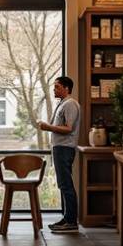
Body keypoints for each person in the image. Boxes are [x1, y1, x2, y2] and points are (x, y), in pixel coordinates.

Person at [37, 75, 80, 233]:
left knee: (66, 184)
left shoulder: (70, 104)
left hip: (64, 148)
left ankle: (71, 221)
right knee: (63, 184)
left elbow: (68, 129)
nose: (54, 89)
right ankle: (67, 218)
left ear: (66, 88)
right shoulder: (63, 104)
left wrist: (48, 127)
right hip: (59, 148)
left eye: (56, 87)